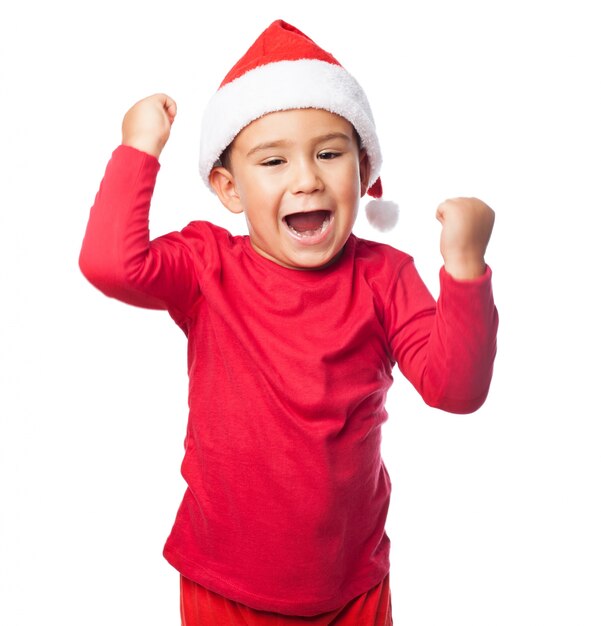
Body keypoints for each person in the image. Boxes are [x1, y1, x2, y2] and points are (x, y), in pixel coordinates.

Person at [79, 19, 498, 626]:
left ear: (364, 172)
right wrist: (138, 145)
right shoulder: (206, 265)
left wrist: (464, 268)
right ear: (229, 188)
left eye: (330, 154)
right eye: (273, 161)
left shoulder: (384, 276)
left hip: (350, 588)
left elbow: (455, 390)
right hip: (224, 586)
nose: (307, 178)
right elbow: (111, 265)